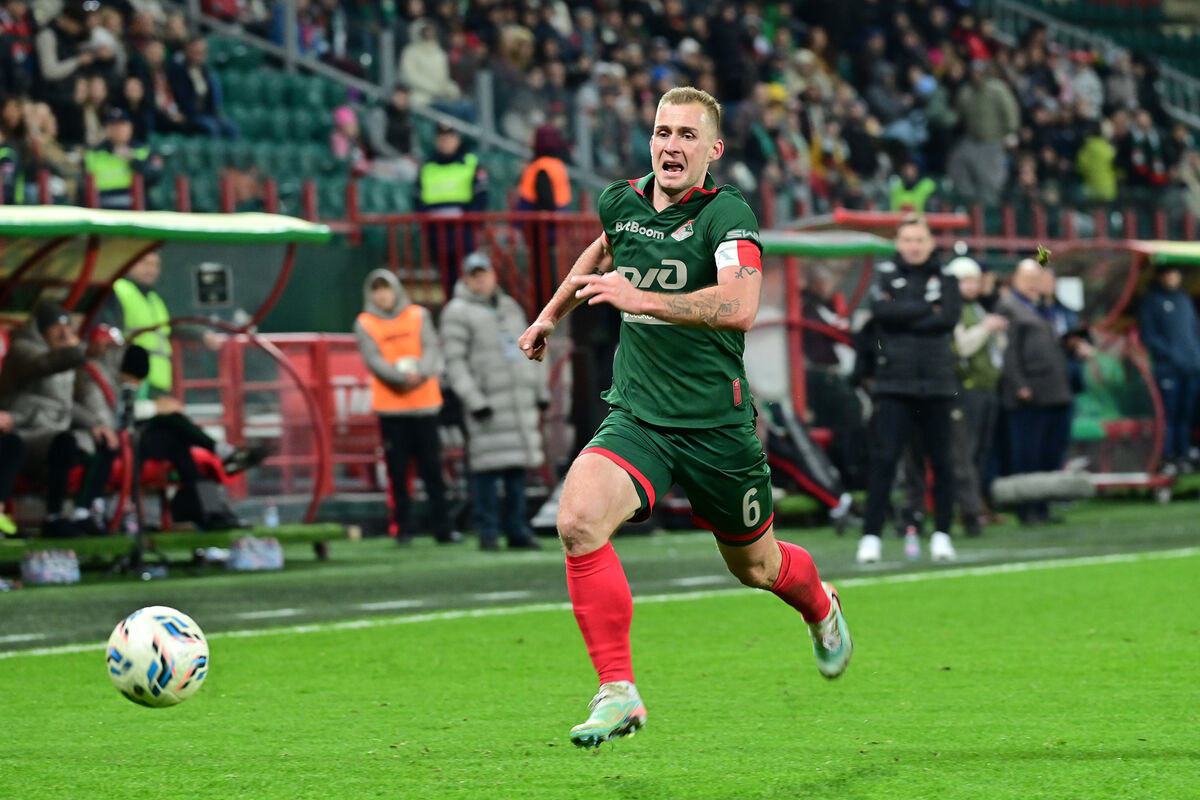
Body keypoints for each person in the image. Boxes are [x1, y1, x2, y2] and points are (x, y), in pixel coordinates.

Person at [516, 87, 852, 749]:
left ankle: (821, 606)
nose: (671, 146)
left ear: (712, 150)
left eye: (687, 136)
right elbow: (602, 251)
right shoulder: (622, 201)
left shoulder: (728, 215)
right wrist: (550, 314)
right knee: (578, 521)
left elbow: (740, 307)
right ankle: (617, 690)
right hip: (639, 416)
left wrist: (641, 299)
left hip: (717, 428)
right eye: (663, 132)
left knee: (756, 568)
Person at [101, 251, 264, 477]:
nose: (151, 269)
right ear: (129, 264)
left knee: (176, 434)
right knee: (173, 424)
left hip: (155, 382)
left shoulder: (153, 300)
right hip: (132, 380)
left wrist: (200, 334)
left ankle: (212, 477)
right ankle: (222, 452)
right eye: (145, 262)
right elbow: (111, 338)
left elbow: (169, 327)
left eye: (155, 264)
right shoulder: (119, 291)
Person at [855, 217, 960, 565]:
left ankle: (942, 534)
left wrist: (903, 313)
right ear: (898, 243)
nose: (914, 246)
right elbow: (882, 313)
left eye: (920, 239)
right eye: (908, 239)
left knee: (942, 461)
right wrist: (927, 308)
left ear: (931, 243)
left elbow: (948, 318)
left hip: (937, 384)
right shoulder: (883, 275)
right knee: (884, 460)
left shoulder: (947, 277)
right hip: (893, 384)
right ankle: (871, 537)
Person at [440, 251, 547, 552]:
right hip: (487, 403)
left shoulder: (509, 306)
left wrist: (540, 391)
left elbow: (533, 347)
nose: (480, 280)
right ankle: (487, 531)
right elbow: (454, 362)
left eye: (484, 273)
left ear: (493, 275)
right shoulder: (457, 312)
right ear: (466, 279)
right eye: (474, 275)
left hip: (518, 400)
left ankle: (517, 529)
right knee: (486, 470)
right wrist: (474, 399)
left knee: (517, 469)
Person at [355, 268, 462, 545]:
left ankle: (443, 528)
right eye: (377, 290)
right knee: (398, 472)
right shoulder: (365, 322)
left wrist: (420, 373)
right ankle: (403, 528)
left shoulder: (418, 315)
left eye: (386, 288)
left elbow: (431, 350)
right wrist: (401, 378)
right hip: (391, 410)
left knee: (433, 470)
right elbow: (373, 360)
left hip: (425, 406)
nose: (382, 295)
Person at [0, 303, 118, 538]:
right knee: (61, 443)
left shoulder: (65, 357)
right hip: (25, 429)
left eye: (67, 326)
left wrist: (95, 425)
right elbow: (43, 364)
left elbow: (64, 404)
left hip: (54, 428)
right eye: (56, 327)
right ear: (41, 328)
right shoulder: (23, 350)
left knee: (101, 442)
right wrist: (80, 352)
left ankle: (83, 514)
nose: (64, 332)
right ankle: (53, 517)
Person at [997, 259, 1074, 525]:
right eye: (1027, 278)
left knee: (1048, 454)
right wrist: (1019, 385)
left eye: (1036, 278)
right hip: (1029, 396)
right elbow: (1007, 353)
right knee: (1027, 454)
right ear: (1015, 280)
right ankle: (1026, 508)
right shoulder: (1009, 307)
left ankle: (1043, 506)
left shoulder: (1044, 308)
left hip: (1055, 393)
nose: (1032, 284)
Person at [945, 256, 1007, 537]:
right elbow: (962, 347)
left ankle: (979, 503)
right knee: (966, 453)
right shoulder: (953, 309)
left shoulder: (976, 307)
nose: (971, 286)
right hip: (966, 388)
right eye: (965, 281)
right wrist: (986, 328)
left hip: (986, 387)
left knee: (981, 451)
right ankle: (967, 507)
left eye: (974, 280)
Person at [1138, 264, 1200, 471]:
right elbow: (1149, 337)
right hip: (1168, 369)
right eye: (1168, 275)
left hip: (1191, 368)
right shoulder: (1151, 302)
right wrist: (1171, 355)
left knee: (1186, 415)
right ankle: (1166, 457)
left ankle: (1183, 455)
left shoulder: (1184, 300)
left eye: (1175, 275)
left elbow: (1193, 332)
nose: (1172, 278)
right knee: (1168, 415)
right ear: (1160, 277)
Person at [415, 121, 488, 294]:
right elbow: (417, 198)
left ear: (457, 140)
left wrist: (470, 221)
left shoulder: (471, 162)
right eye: (442, 138)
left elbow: (481, 195)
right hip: (436, 232)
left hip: (463, 230)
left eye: (449, 138)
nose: (445, 142)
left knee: (468, 274)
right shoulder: (427, 166)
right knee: (445, 278)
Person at [84, 107, 161, 210]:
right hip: (102, 208)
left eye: (122, 125)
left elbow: (153, 178)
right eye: (113, 126)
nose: (118, 130)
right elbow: (84, 186)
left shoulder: (143, 150)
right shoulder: (93, 154)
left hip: (135, 207)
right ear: (107, 129)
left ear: (130, 127)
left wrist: (133, 160)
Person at [167, 35, 237, 139]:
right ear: (187, 51)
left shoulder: (206, 72)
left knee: (231, 128)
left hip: (207, 114)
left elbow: (210, 99)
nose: (199, 55)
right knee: (211, 127)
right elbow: (181, 98)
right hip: (190, 115)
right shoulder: (179, 71)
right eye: (195, 52)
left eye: (202, 52)